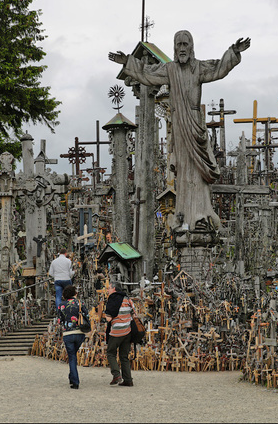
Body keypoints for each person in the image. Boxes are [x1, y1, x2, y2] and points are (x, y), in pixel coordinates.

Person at [109, 31, 250, 232]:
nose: (182, 48)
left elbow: (219, 68)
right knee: (183, 171)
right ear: (175, 48)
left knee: (198, 173)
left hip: (194, 124)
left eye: (185, 44)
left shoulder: (199, 68)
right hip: (179, 126)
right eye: (178, 45)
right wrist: (128, 62)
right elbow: (148, 73)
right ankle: (184, 214)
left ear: (191, 47)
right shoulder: (170, 69)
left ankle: (201, 213)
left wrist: (233, 52)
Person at [103, 281, 135, 386]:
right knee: (124, 356)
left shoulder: (113, 300)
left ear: (114, 289)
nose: (108, 290)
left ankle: (116, 374)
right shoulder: (127, 298)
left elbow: (108, 318)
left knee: (111, 353)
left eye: (109, 288)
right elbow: (134, 313)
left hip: (116, 331)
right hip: (128, 331)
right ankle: (128, 380)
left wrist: (102, 315)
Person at [57, 285, 88, 389]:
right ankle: (72, 377)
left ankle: (75, 381)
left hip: (68, 334)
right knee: (73, 355)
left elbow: (60, 320)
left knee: (72, 356)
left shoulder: (61, 305)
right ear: (74, 293)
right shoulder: (80, 303)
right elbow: (86, 315)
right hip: (80, 333)